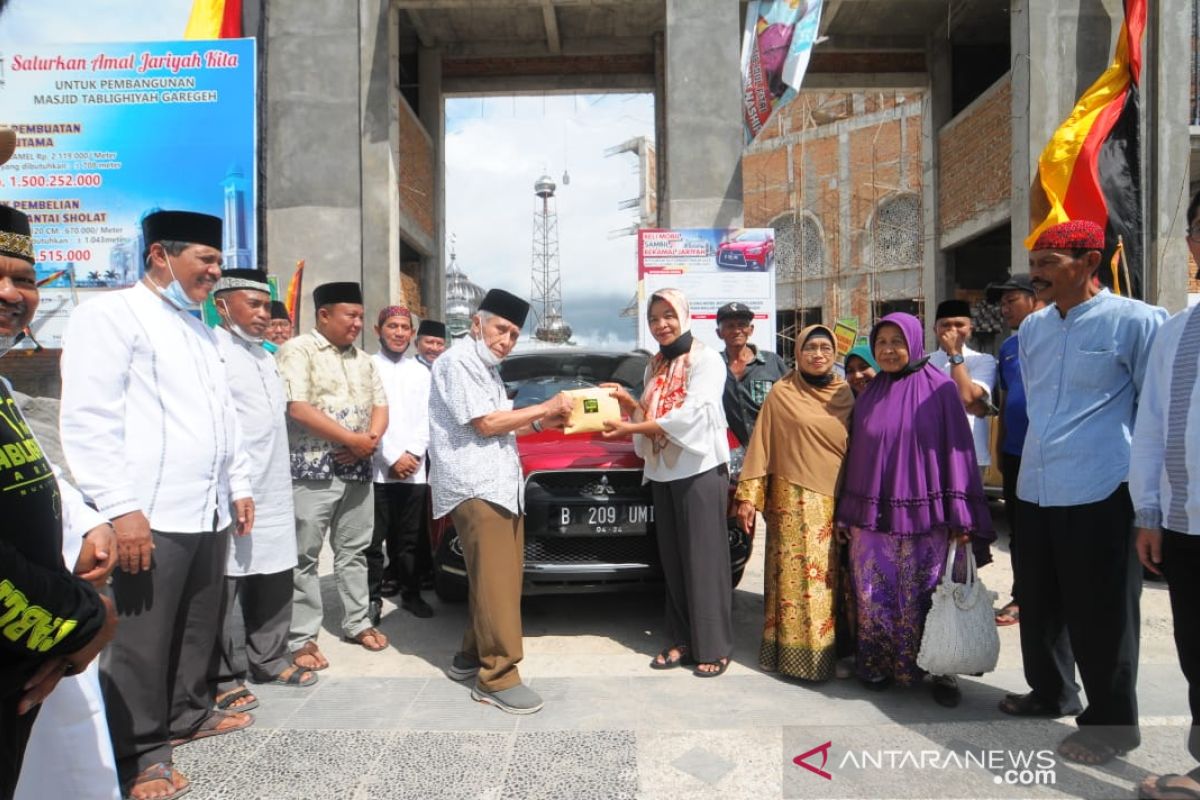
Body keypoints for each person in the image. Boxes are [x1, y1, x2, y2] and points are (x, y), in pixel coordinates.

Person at [59, 210, 255, 800]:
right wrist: (120, 507)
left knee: (196, 626)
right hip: (149, 513)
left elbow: (225, 419)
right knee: (140, 639)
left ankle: (189, 713)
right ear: (160, 257)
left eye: (218, 262)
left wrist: (237, 484)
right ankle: (140, 752)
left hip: (206, 510)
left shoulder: (201, 328)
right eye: (207, 261)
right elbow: (89, 418)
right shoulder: (109, 316)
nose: (216, 272)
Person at [1008, 219, 1166, 766]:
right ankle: (1050, 690)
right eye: (1034, 262)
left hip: (1103, 486)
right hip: (1036, 484)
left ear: (1090, 262)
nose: (1036, 273)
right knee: (1041, 600)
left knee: (1103, 615)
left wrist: (1152, 500)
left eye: (1050, 262)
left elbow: (1155, 410)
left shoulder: (1138, 322)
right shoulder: (1033, 330)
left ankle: (1112, 727)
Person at [0, 204, 117, 800]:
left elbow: (34, 470)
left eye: (23, 278)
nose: (10, 293)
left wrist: (89, 519)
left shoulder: (2, 384)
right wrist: (85, 620)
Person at [834, 312, 994, 708]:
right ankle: (878, 664)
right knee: (875, 592)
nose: (888, 350)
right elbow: (857, 457)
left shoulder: (940, 390)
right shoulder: (869, 394)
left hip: (929, 517)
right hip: (873, 518)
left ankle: (940, 669)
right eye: (881, 342)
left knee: (930, 592)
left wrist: (962, 515)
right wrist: (847, 513)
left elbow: (958, 453)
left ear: (914, 343)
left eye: (897, 342)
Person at [428, 289, 572, 714]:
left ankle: (470, 656)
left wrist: (545, 420)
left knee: (498, 580)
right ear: (477, 324)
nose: (506, 340)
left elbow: (504, 426)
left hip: (499, 484)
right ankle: (497, 676)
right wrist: (544, 405)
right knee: (497, 583)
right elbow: (487, 423)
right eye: (500, 330)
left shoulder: (486, 369)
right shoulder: (459, 362)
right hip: (476, 485)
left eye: (513, 334)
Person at [604, 289, 733, 678]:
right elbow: (652, 411)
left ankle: (714, 646)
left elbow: (692, 415)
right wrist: (628, 403)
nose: (662, 324)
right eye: (654, 319)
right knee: (674, 562)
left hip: (698, 468)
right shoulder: (655, 366)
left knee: (704, 561)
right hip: (663, 470)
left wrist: (632, 425)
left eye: (668, 315)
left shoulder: (707, 360)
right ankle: (681, 639)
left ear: (685, 315)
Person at [209, 269, 315, 715]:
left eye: (265, 305)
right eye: (250, 304)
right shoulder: (211, 352)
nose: (262, 314)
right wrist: (237, 485)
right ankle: (219, 675)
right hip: (232, 486)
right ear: (222, 305)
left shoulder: (265, 355)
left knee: (273, 572)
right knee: (224, 583)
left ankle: (268, 659)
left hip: (273, 483)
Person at [1128, 191, 1200, 800]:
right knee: (1195, 649)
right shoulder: (1175, 333)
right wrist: (1148, 512)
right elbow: (1150, 427)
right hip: (1183, 522)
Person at [732, 325, 854, 681]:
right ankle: (789, 657)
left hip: (836, 501)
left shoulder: (845, 394)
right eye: (810, 348)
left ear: (834, 354)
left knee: (832, 583)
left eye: (825, 348)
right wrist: (749, 498)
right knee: (792, 584)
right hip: (791, 504)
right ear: (797, 354)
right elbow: (762, 445)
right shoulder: (781, 393)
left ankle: (832, 654)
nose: (818, 354)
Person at [277, 282, 389, 668]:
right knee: (303, 556)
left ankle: (357, 621)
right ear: (324, 315)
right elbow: (298, 408)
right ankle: (302, 638)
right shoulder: (297, 350)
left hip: (358, 469)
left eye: (360, 316)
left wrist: (369, 440)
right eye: (351, 316)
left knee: (354, 550)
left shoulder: (364, 360)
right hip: (313, 469)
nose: (358, 323)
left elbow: (380, 405)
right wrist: (351, 439)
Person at [366, 306, 433, 623]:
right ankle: (372, 598)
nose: (399, 332)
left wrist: (414, 453)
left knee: (410, 540)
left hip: (413, 469)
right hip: (378, 469)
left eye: (405, 327)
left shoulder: (420, 372)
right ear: (378, 330)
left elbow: (428, 418)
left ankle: (411, 594)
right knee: (373, 540)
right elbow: (366, 419)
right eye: (392, 326)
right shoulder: (366, 367)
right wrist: (391, 458)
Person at [984, 274, 1044, 627]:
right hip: (1015, 452)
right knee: (1019, 531)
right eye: (1003, 303)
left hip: (1050, 455)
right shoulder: (1007, 348)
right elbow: (1005, 401)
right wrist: (1000, 448)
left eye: (1012, 301)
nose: (1005, 309)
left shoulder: (1053, 337)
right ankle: (1023, 596)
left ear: (1035, 299)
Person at [927, 299, 997, 472]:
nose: (952, 330)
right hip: (932, 448)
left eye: (959, 324)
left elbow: (965, 397)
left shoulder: (984, 360)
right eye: (946, 325)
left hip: (970, 449)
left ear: (970, 330)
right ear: (935, 330)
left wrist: (954, 353)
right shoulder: (925, 363)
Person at [716, 302, 788, 468]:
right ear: (719, 333)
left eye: (742, 325)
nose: (736, 330)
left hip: (772, 455)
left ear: (751, 330)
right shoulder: (713, 364)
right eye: (729, 326)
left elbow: (793, 401)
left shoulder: (772, 362)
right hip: (729, 457)